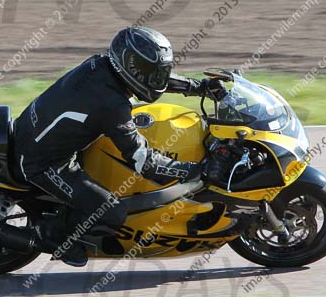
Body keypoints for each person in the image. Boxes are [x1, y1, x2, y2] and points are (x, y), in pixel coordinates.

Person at [12, 27, 227, 266]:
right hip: (43, 162)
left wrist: (197, 87)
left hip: (37, 132)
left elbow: (151, 80)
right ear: (129, 66)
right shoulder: (112, 105)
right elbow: (145, 163)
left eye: (160, 72)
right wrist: (197, 171)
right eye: (150, 72)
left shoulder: (102, 65)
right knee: (111, 211)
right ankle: (53, 235)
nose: (157, 78)